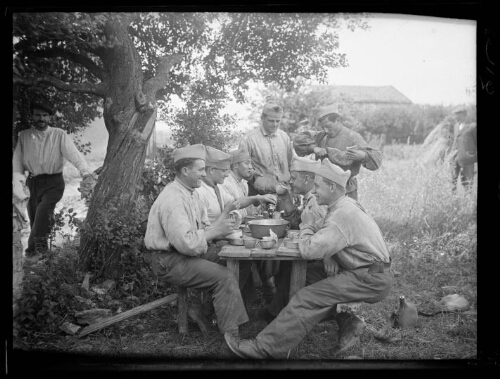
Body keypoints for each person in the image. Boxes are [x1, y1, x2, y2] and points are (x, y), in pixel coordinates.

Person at [224, 159, 394, 359]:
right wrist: (310, 227)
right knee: (305, 280)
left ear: (332, 186)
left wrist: (306, 226)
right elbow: (320, 232)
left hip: (369, 278)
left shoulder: (342, 214)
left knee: (306, 297)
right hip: (367, 271)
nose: (314, 191)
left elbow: (308, 249)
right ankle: (335, 321)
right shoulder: (342, 205)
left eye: (318, 186)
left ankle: (262, 349)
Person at [143, 144, 248, 340]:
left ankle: (205, 311)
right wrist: (215, 231)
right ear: (185, 170)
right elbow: (187, 244)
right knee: (224, 277)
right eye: (200, 170)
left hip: (184, 254)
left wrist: (222, 229)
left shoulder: (191, 192)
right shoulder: (174, 199)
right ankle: (231, 338)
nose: (204, 174)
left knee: (235, 260)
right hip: (169, 261)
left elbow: (204, 228)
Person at [12, 101, 96, 256]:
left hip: (53, 182)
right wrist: (17, 183)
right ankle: (43, 248)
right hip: (32, 182)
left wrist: (85, 172)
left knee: (43, 212)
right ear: (33, 116)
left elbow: (74, 154)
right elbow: (17, 162)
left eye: (45, 115)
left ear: (50, 118)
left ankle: (35, 251)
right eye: (38, 115)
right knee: (35, 218)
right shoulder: (24, 136)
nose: (41, 118)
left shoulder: (59, 134)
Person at [259, 155, 328, 323]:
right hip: (316, 251)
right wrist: (286, 198)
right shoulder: (310, 198)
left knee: (290, 267)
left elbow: (323, 233)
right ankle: (278, 307)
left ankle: (277, 313)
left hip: (322, 257)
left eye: (293, 178)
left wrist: (330, 257)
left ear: (307, 179)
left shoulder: (318, 202)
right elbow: (299, 222)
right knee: (286, 263)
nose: (290, 181)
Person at [293, 104, 382, 200]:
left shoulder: (353, 137)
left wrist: (364, 156)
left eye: (328, 126)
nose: (326, 130)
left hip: (345, 190)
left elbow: (376, 158)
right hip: (322, 190)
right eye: (323, 127)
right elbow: (298, 139)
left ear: (338, 120)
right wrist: (314, 148)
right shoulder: (321, 136)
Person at [238, 102, 294, 196]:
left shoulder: (285, 137)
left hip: (285, 191)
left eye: (278, 121)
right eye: (271, 121)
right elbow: (241, 166)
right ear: (262, 118)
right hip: (259, 194)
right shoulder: (249, 139)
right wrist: (257, 177)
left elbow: (291, 163)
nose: (275, 124)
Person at [449, 106, 477, 191]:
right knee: (452, 182)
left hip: (468, 159)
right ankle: (453, 201)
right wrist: (451, 155)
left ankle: (467, 202)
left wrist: (473, 156)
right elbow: (455, 141)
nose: (454, 117)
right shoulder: (456, 127)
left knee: (467, 184)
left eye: (456, 115)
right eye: (454, 115)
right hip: (455, 159)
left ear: (463, 115)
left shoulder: (473, 126)